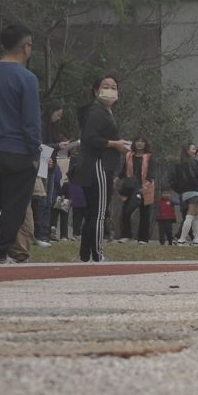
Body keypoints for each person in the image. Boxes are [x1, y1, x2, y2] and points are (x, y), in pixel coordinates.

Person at [0, 24, 42, 264]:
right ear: (26, 47)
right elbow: (31, 121)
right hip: (18, 150)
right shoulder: (27, 78)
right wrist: (35, 152)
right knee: (14, 205)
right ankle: (1, 252)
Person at [75, 75, 129, 262]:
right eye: (106, 86)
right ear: (96, 90)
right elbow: (90, 138)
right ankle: (97, 253)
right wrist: (115, 144)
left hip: (98, 164)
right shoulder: (96, 112)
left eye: (114, 87)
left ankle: (86, 255)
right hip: (98, 164)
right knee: (98, 213)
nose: (110, 90)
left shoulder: (105, 112)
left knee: (92, 212)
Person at [36, 103, 71, 245]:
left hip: (52, 164)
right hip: (43, 164)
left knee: (50, 200)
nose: (59, 118)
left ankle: (45, 231)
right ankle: (39, 232)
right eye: (58, 114)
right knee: (42, 199)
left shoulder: (55, 127)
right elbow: (40, 145)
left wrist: (61, 146)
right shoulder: (42, 125)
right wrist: (57, 145)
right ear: (51, 112)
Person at [117, 136, 155, 244]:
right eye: (137, 141)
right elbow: (123, 171)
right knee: (126, 211)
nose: (139, 143)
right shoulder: (129, 155)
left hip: (145, 188)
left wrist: (146, 185)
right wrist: (115, 180)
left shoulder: (149, 157)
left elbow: (151, 173)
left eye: (142, 141)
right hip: (130, 187)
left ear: (145, 144)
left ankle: (143, 238)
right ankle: (126, 235)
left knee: (144, 213)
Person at [172, 143, 198, 245]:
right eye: (193, 149)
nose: (195, 151)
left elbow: (173, 180)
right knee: (189, 216)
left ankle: (196, 238)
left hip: (184, 193)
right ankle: (182, 239)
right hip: (194, 191)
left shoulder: (179, 163)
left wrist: (180, 190)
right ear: (187, 150)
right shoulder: (194, 162)